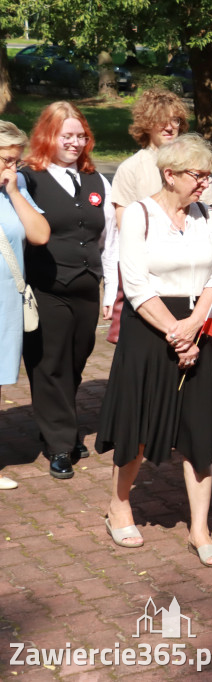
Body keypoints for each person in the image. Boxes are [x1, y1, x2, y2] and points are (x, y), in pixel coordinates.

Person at [96, 134, 212, 565]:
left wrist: (195, 326)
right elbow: (135, 285)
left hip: (197, 326)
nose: (205, 184)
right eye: (198, 175)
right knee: (136, 425)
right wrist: (177, 333)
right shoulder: (138, 214)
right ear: (169, 175)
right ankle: (118, 506)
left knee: (199, 429)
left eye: (210, 175)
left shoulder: (207, 213)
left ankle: (201, 530)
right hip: (150, 333)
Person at [20, 102, 114, 480]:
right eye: (67, 136)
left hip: (87, 286)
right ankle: (59, 442)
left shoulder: (96, 181)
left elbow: (110, 237)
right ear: (49, 136)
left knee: (75, 361)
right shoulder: (29, 178)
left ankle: (61, 424)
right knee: (49, 366)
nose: (75, 143)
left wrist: (112, 290)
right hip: (46, 287)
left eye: (81, 136)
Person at [108, 89, 212, 343]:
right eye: (161, 120)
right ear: (146, 124)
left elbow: (208, 221)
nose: (170, 126)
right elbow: (126, 233)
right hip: (150, 281)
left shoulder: (197, 168)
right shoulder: (131, 169)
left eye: (176, 120)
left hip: (191, 281)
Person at [0, 121, 50, 491]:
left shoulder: (13, 189)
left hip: (6, 301)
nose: (10, 168)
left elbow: (39, 234)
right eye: (5, 160)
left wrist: (15, 191)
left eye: (15, 162)